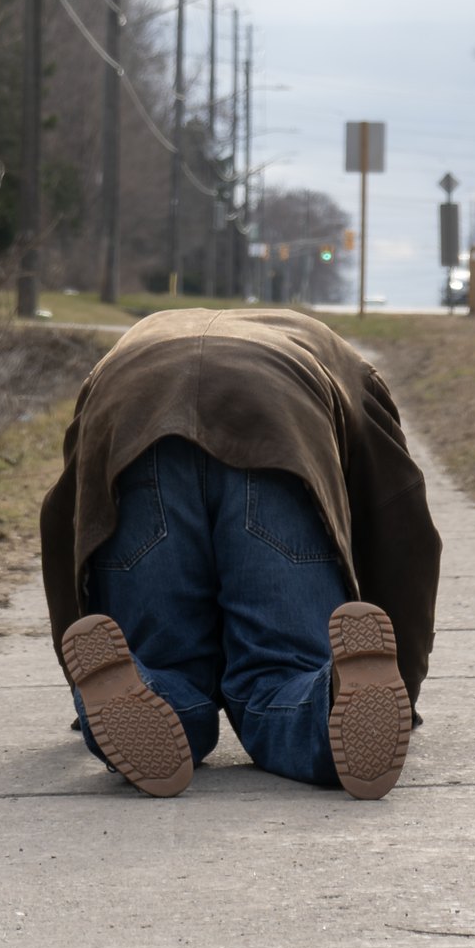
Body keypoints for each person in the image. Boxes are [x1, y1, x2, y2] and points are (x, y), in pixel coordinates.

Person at [39, 303, 442, 800]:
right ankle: (331, 701)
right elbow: (403, 526)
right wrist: (403, 682)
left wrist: (79, 678)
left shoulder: (122, 355)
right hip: (278, 427)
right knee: (277, 681)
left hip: (137, 420)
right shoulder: (341, 360)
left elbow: (63, 518)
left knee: (166, 671)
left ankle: (139, 685)